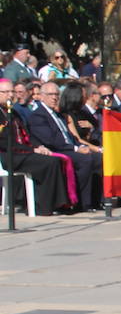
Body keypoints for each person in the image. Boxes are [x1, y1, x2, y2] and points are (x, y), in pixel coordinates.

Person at [26, 81, 103, 210]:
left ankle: (96, 200)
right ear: (42, 96)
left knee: (98, 158)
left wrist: (80, 146)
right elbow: (50, 140)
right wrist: (76, 148)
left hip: (68, 147)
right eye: (50, 94)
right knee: (85, 160)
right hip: (54, 150)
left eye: (56, 94)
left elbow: (70, 136)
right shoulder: (38, 116)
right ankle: (79, 202)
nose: (54, 97)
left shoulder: (58, 114)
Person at [0, 80, 73, 215]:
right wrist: (32, 150)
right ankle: (42, 207)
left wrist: (39, 146)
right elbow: (4, 142)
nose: (10, 95)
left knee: (53, 160)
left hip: (22, 152)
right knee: (47, 163)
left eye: (12, 92)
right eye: (6, 92)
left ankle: (57, 204)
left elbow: (27, 134)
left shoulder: (13, 113)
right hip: (8, 155)